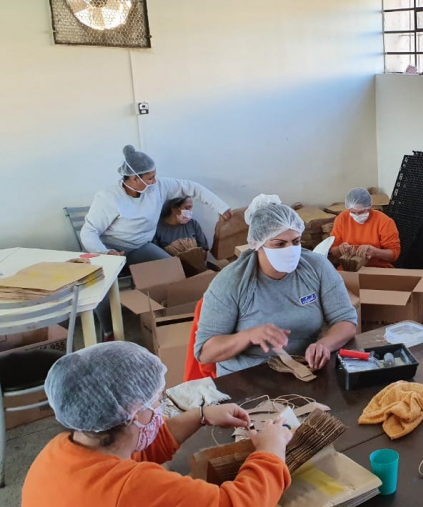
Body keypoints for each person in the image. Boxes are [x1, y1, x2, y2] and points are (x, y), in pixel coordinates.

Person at [19, 342, 294, 507]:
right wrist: (271, 451)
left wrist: (202, 414)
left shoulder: (60, 450)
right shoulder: (134, 494)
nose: (161, 409)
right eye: (158, 400)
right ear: (135, 413)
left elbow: (142, 451)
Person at [196, 194, 358, 376]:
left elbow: (345, 320)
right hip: (247, 377)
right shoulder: (232, 281)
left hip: (305, 368)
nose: (290, 250)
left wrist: (325, 344)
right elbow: (205, 352)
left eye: (295, 242)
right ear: (257, 244)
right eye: (279, 244)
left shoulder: (316, 267)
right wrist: (247, 336)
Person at [80, 145, 233, 266]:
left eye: (154, 176)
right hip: (111, 252)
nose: (154, 181)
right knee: (105, 291)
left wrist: (220, 207)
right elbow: (89, 231)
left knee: (172, 269)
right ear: (134, 179)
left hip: (141, 247)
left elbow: (192, 187)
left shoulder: (158, 187)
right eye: (150, 178)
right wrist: (105, 253)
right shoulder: (109, 198)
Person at [330, 187, 401, 269]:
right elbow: (333, 249)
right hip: (349, 268)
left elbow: (394, 254)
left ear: (369, 206)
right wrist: (340, 249)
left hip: (378, 268)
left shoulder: (384, 222)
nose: (357, 215)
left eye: (361, 212)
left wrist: (375, 252)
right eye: (353, 212)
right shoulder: (342, 218)